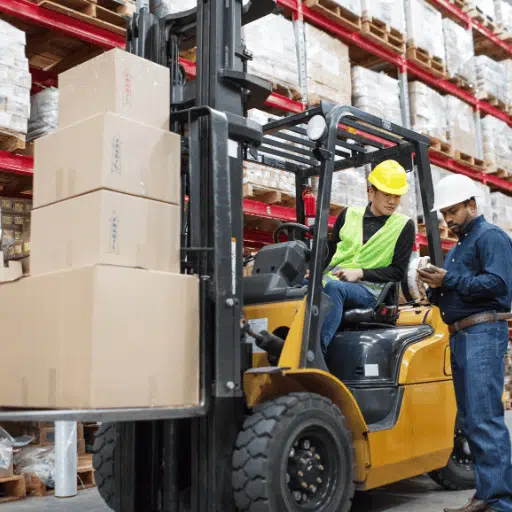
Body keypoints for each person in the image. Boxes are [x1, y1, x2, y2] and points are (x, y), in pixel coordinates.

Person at [417, 174, 512, 512]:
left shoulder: (491, 237)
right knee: (471, 418)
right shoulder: (459, 247)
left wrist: (450, 279)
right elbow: (460, 286)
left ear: (472, 205)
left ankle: (501, 501)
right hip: (461, 334)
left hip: (483, 333)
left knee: (485, 417)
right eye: (444, 214)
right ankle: (487, 495)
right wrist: (435, 288)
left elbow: (500, 285)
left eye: (452, 211)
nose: (448, 219)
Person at [319, 159, 415, 354]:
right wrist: (314, 273)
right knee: (297, 290)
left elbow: (397, 272)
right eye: (387, 195)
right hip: (333, 281)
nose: (393, 201)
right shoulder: (348, 214)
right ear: (371, 192)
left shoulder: (404, 225)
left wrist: (360, 273)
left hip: (370, 292)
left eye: (397, 196)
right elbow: (331, 252)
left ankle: (316, 353)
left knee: (335, 289)